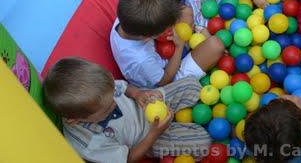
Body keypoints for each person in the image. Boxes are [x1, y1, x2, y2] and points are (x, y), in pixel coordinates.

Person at [43, 57, 211, 163]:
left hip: (146, 105)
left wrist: (138, 94)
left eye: (113, 97)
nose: (115, 104)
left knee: (192, 84)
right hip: (147, 139)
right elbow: (129, 159)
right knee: (204, 142)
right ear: (75, 119)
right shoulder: (89, 144)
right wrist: (154, 133)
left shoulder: (99, 88)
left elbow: (123, 88)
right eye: (108, 108)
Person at [110, 0, 225, 88]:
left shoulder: (128, 16)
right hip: (166, 80)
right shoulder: (141, 60)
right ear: (152, 35)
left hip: (160, 51)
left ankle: (190, 44)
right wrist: (179, 48)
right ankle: (188, 48)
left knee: (186, 12)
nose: (172, 28)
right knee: (216, 45)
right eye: (168, 29)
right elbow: (165, 80)